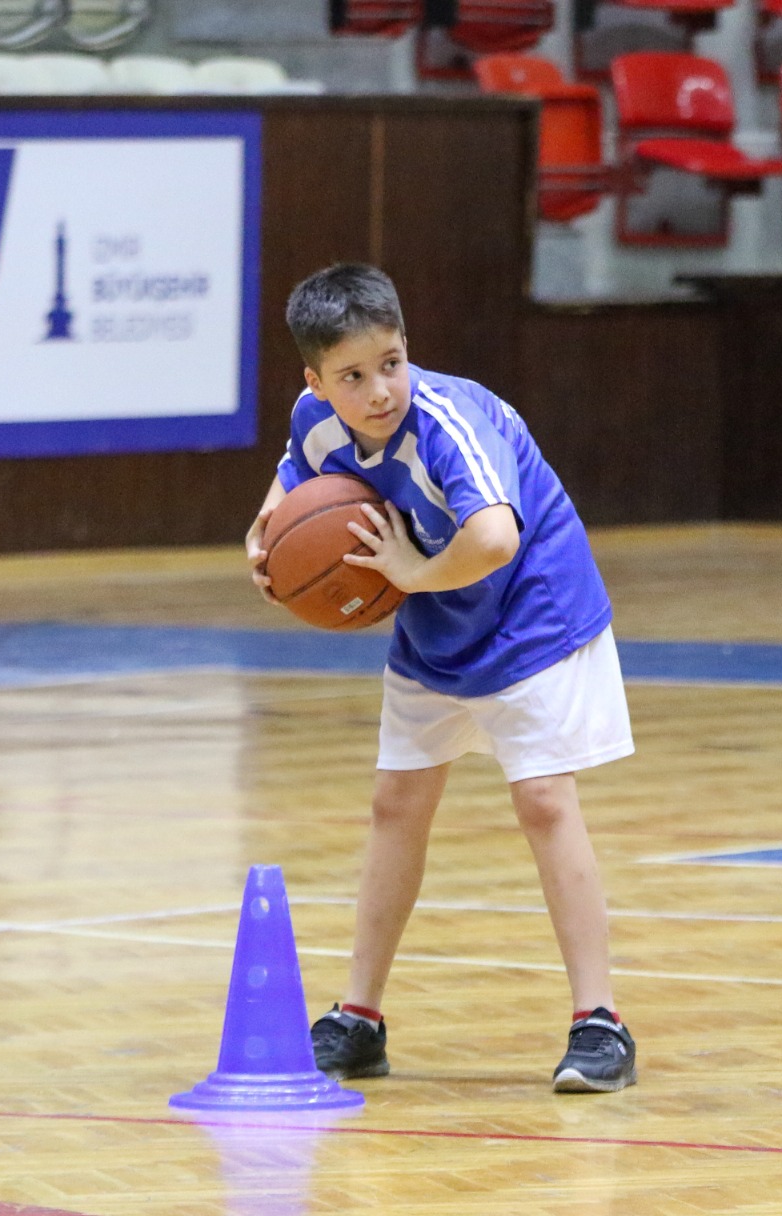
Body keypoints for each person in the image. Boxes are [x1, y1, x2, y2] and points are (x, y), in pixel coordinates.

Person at [245, 263, 637, 1093]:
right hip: (441, 618)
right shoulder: (315, 422)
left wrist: (412, 573)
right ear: (317, 382)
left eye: (391, 362)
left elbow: (494, 537)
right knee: (397, 801)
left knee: (542, 798)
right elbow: (291, 490)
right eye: (353, 376)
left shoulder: (447, 423)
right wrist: (263, 543)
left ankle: (599, 1023)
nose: (380, 388)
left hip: (533, 611)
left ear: (406, 348)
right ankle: (360, 1018)